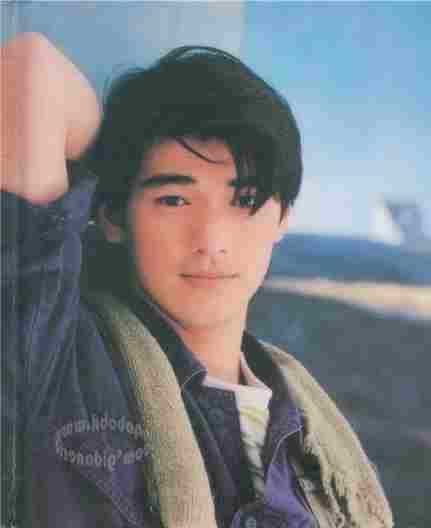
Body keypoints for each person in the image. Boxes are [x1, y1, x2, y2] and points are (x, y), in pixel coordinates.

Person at [1, 32, 393, 527]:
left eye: (245, 200)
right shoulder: (56, 357)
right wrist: (126, 144)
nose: (211, 241)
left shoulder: (312, 436)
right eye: (174, 200)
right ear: (114, 215)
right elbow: (29, 73)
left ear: (282, 217)